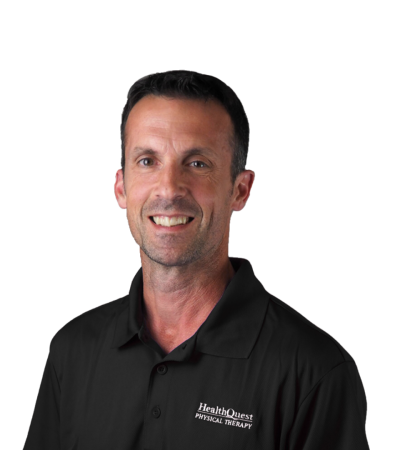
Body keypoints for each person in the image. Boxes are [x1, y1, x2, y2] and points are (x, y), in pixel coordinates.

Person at [23, 70, 369, 449]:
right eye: (147, 161)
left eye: (197, 163)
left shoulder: (315, 371)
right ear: (121, 187)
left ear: (241, 190)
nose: (169, 188)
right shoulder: (71, 350)